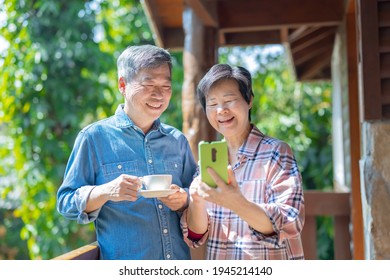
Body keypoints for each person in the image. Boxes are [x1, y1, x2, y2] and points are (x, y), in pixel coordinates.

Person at [57, 45, 197, 260]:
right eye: (149, 84)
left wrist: (185, 199)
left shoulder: (177, 140)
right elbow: (66, 202)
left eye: (166, 86)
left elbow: (197, 193)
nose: (159, 94)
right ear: (123, 85)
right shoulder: (93, 138)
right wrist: (106, 191)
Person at [181, 64, 305, 260]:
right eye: (212, 104)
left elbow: (290, 221)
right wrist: (196, 202)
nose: (221, 110)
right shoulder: (208, 162)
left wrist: (237, 203)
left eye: (229, 100)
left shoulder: (276, 152)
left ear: (249, 101)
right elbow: (196, 236)